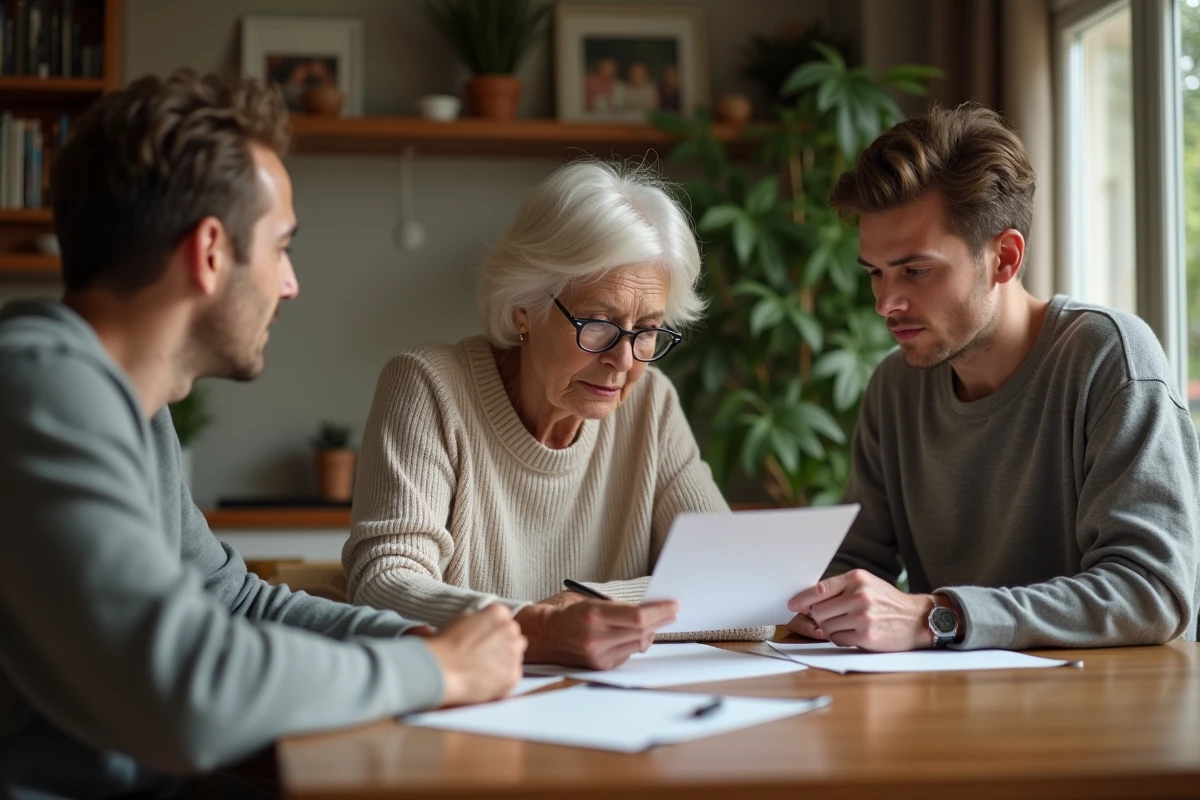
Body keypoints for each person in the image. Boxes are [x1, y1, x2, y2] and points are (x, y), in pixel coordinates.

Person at [0, 70, 525, 799]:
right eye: (281, 247)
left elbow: (236, 603)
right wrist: (440, 672)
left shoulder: (131, 407)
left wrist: (415, 640)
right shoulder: (39, 389)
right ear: (210, 251)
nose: (290, 284)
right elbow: (187, 691)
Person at [786, 103, 1200, 652]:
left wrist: (937, 616)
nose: (887, 303)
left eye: (915, 270)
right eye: (876, 274)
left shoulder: (1108, 358)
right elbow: (858, 559)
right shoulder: (895, 387)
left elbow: (1151, 593)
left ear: (1004, 258)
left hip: (1101, 711)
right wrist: (815, 600)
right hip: (951, 706)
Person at [344, 161, 771, 671]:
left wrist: (594, 605)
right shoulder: (430, 387)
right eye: (598, 324)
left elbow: (745, 592)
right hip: (467, 712)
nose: (624, 360)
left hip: (615, 719)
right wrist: (539, 628)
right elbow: (383, 585)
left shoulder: (650, 403)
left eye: (648, 329)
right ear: (524, 307)